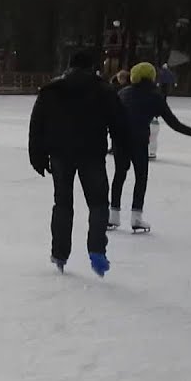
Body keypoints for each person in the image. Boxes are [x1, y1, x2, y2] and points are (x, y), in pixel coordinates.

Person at [28, 49, 128, 276]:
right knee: (99, 204)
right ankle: (97, 251)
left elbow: (37, 125)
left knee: (63, 204)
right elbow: (119, 125)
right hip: (92, 154)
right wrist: (123, 152)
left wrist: (38, 155)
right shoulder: (104, 90)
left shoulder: (52, 89)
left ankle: (60, 253)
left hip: (60, 154)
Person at [110, 62, 191, 233]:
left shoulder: (123, 92)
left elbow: (111, 116)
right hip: (138, 140)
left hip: (120, 139)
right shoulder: (155, 97)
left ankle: (113, 215)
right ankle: (136, 218)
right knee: (141, 177)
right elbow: (173, 122)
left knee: (119, 174)